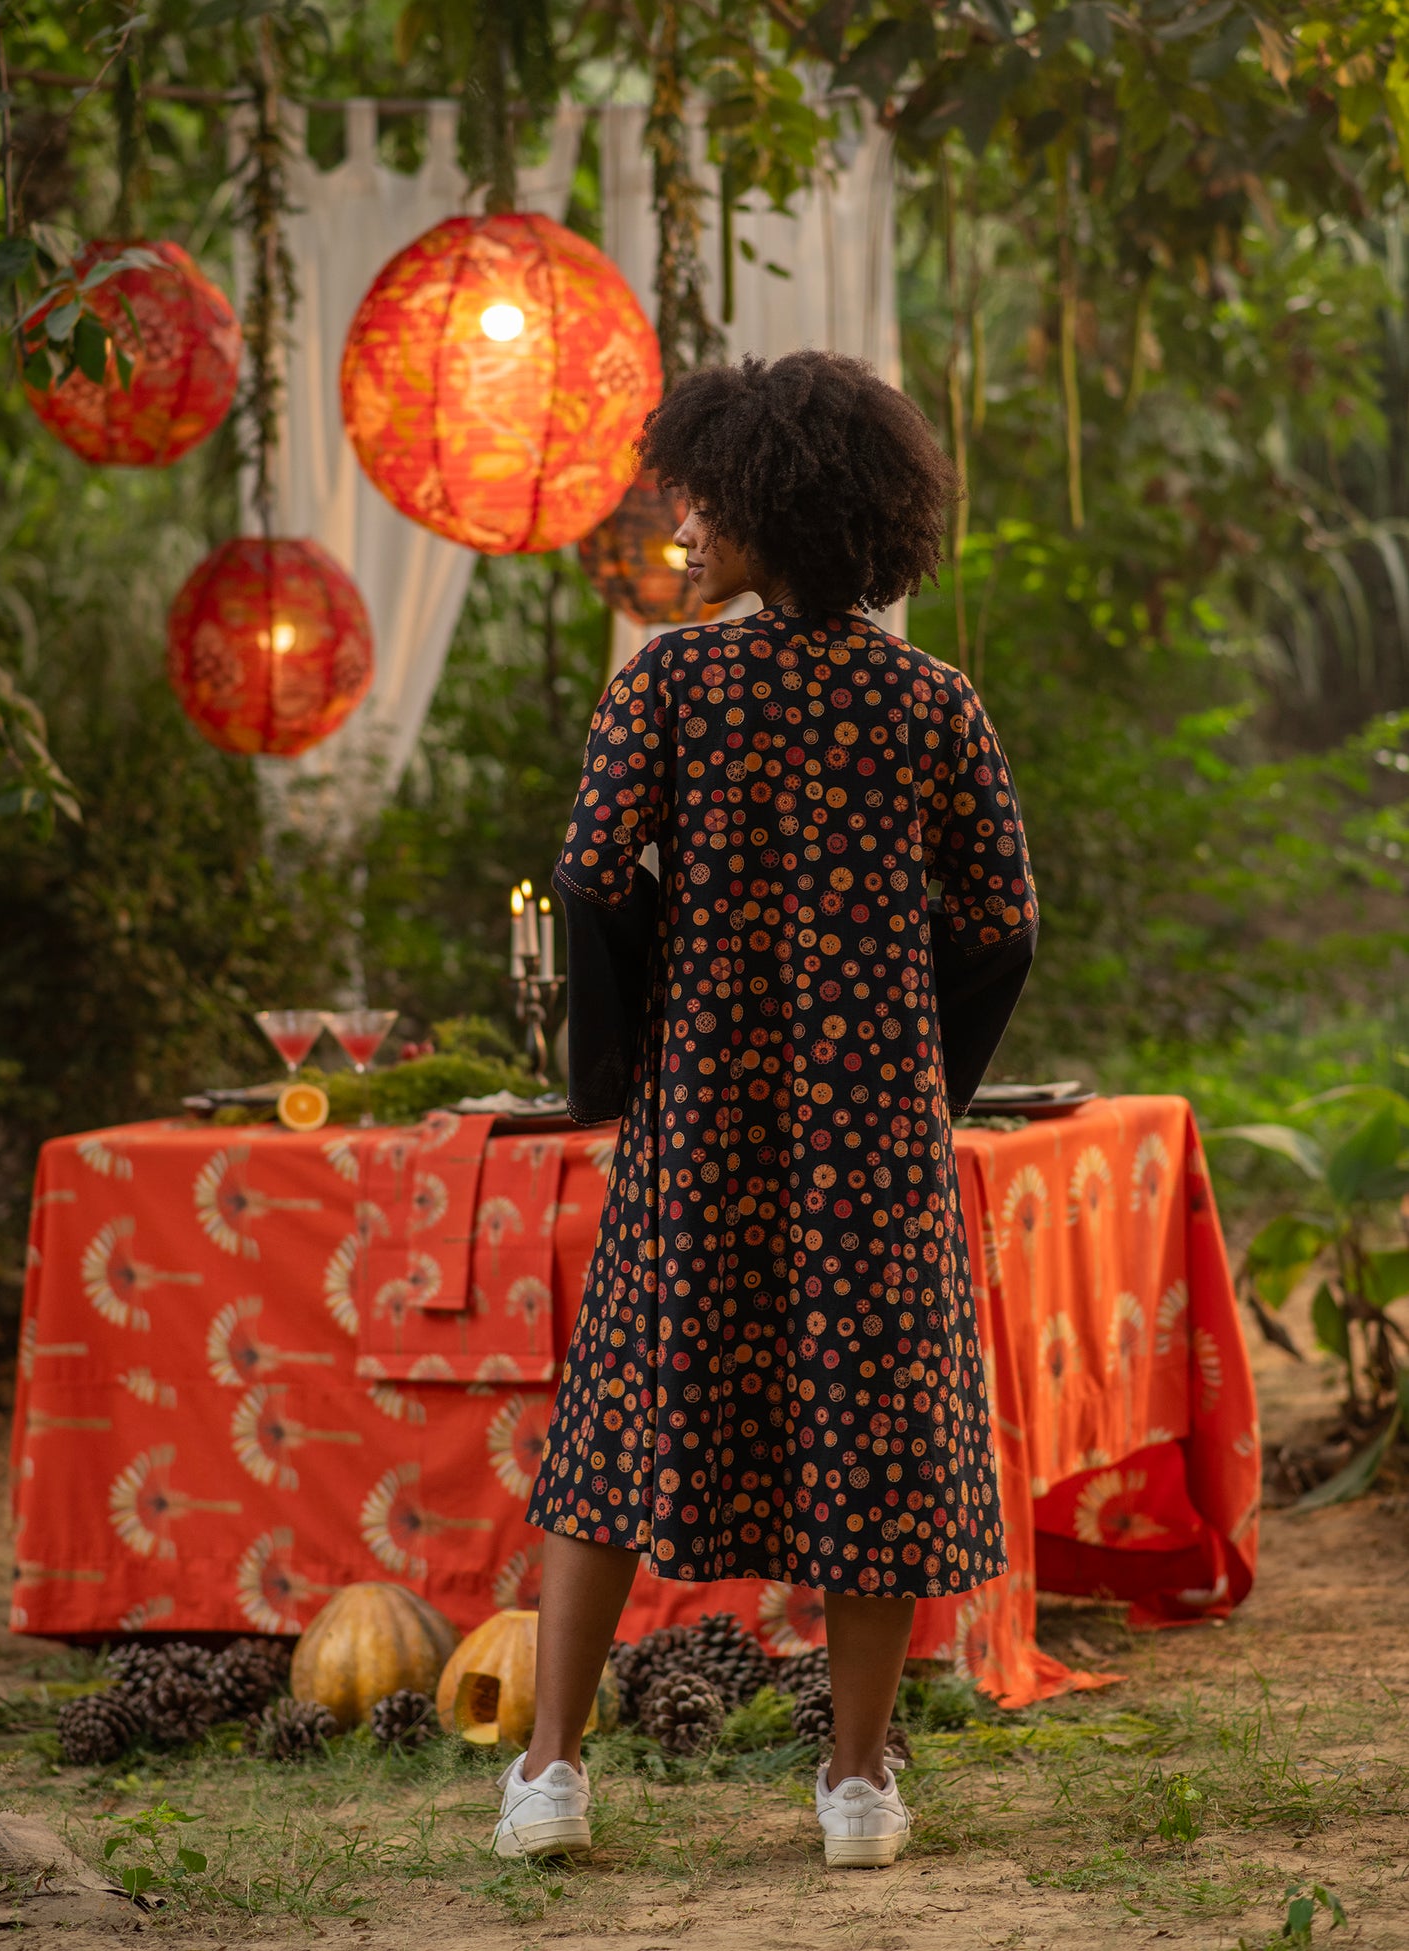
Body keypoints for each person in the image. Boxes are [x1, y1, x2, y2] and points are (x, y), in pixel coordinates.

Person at [492, 350, 1037, 1869]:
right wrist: (919, 1072)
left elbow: (596, 878)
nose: (681, 532)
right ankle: (855, 1788)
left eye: (702, 505)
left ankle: (549, 1773)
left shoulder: (668, 684)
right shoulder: (931, 702)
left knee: (616, 1426)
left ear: (773, 509)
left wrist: (613, 1074)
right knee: (873, 1430)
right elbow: (1002, 919)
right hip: (873, 1140)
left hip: (701, 1128)